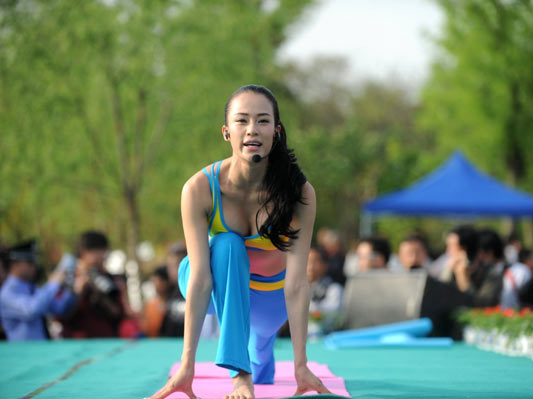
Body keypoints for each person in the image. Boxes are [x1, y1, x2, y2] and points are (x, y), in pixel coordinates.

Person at [148, 85, 330, 399]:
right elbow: (202, 279)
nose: (252, 130)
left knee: (261, 353)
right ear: (226, 132)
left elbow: (298, 282)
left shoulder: (299, 192)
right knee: (226, 245)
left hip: (269, 298)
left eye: (262, 121)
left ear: (276, 130)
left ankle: (259, 354)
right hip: (211, 282)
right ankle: (240, 374)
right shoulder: (198, 189)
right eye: (241, 121)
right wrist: (186, 364)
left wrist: (301, 365)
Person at [0, 240, 74, 340]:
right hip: (22, 353)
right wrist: (53, 283)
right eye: (30, 262)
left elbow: (57, 308)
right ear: (14, 264)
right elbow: (32, 309)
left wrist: (71, 289)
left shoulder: (32, 288)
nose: (34, 266)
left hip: (41, 350)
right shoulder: (6, 293)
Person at [59, 231, 124, 338]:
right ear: (84, 252)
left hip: (106, 340)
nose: (104, 257)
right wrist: (77, 293)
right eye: (100, 252)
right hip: (77, 344)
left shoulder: (107, 279)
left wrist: (99, 293)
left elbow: (118, 313)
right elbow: (60, 316)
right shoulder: (68, 277)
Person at [306, 247, 343, 337]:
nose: (310, 266)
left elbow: (331, 315)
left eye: (315, 261)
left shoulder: (334, 289)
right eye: (306, 261)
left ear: (325, 265)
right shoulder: (292, 290)